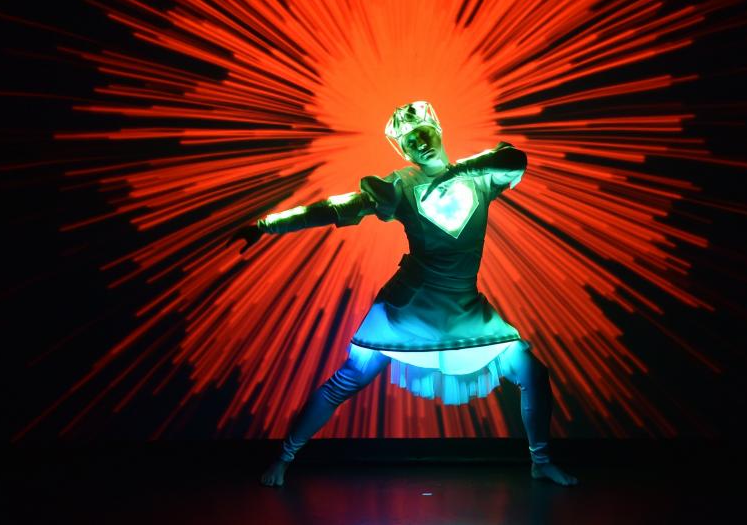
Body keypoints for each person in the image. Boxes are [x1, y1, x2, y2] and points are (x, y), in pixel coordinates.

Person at [232, 101, 578, 487]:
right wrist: (266, 224)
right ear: (403, 151)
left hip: (463, 307)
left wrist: (459, 170)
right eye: (409, 142)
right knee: (348, 380)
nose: (419, 144)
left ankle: (540, 461)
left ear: (439, 130)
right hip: (406, 307)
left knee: (532, 371)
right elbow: (331, 210)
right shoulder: (399, 187)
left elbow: (514, 158)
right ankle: (283, 458)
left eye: (424, 133)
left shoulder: (480, 178)